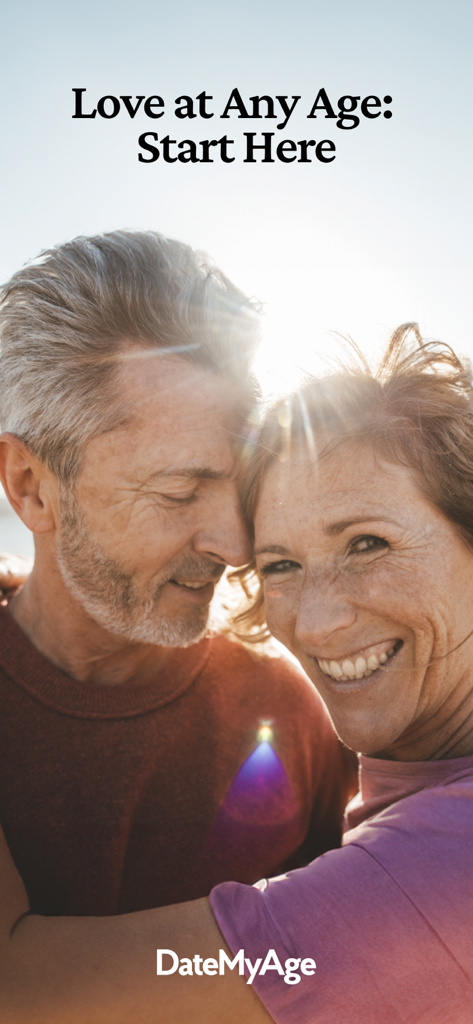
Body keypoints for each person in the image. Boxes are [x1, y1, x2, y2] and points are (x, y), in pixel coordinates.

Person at [2, 322, 472, 1023]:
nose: (313, 624)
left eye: (367, 543)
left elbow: (21, 987)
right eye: (279, 563)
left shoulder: (427, 879)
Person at [0, 230, 353, 927]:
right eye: (178, 490)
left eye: (240, 483)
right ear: (32, 486)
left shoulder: (289, 712)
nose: (238, 544)